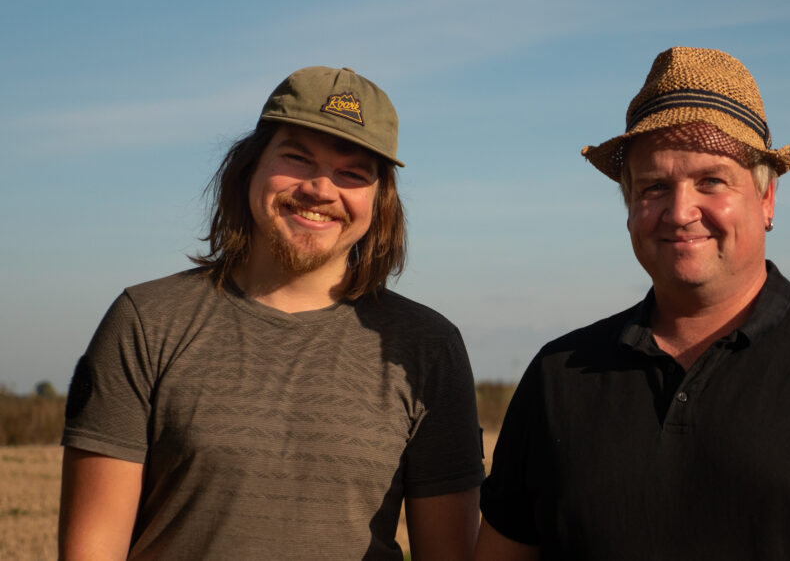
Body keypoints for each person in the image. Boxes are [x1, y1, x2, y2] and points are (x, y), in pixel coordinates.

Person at [476, 47, 790, 560]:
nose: (680, 211)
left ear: (767, 199)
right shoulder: (558, 379)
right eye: (654, 186)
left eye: (711, 181)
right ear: (628, 207)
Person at [59, 66, 485, 560]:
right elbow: (92, 548)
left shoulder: (427, 345)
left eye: (352, 173)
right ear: (249, 168)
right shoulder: (145, 321)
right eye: (297, 158)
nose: (321, 189)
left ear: (379, 200)